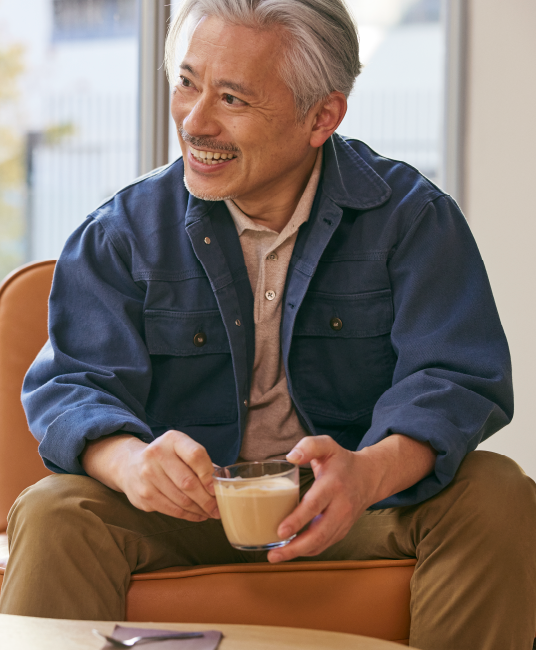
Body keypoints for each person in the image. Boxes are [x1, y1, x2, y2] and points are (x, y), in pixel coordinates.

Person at [1, 1, 535, 648]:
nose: (194, 122)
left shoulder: (413, 220)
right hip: (184, 514)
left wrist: (369, 472)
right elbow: (72, 386)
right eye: (187, 83)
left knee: (496, 491)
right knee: (54, 511)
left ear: (323, 117)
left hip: (354, 505)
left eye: (232, 98)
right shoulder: (120, 233)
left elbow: (456, 377)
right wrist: (134, 463)